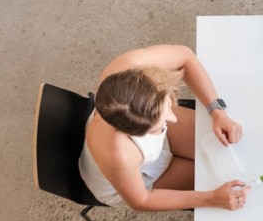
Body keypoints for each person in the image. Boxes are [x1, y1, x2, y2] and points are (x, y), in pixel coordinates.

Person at [78, 45, 249, 211]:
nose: (173, 118)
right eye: (161, 122)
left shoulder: (128, 67)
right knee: (223, 180)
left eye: (167, 107)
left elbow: (185, 56)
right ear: (134, 134)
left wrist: (217, 112)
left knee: (237, 151)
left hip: (139, 147)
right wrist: (209, 199)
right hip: (133, 180)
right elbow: (142, 200)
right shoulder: (118, 154)